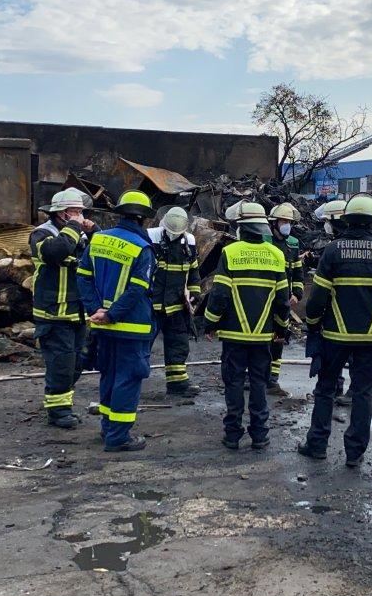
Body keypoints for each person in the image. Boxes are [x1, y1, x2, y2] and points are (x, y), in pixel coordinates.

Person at [298, 193, 372, 467]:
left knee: (325, 389)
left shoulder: (333, 252)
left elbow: (318, 298)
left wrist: (313, 325)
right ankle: (355, 454)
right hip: (370, 339)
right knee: (362, 393)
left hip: (334, 337)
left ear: (346, 221)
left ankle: (317, 445)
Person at [203, 202, 291, 450]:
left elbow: (219, 294)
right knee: (259, 384)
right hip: (264, 337)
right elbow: (282, 301)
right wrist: (281, 329)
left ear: (240, 227)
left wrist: (210, 323)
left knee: (233, 384)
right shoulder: (277, 255)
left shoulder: (230, 253)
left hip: (233, 335)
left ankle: (232, 435)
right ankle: (260, 435)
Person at [76, 190, 157, 452]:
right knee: (129, 377)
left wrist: (96, 310)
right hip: (131, 328)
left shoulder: (98, 240)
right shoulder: (142, 249)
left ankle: (107, 427)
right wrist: (112, 314)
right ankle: (119, 436)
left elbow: (83, 277)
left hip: (102, 326)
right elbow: (137, 290)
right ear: (143, 218)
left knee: (109, 375)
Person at [30, 188, 98, 429]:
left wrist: (93, 232)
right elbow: (55, 253)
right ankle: (58, 412)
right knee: (61, 364)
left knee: (76, 364)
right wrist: (75, 228)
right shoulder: (41, 234)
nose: (79, 215)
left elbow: (97, 255)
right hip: (53, 314)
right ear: (60, 213)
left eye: (81, 211)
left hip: (77, 313)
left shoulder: (77, 234)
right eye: (74, 212)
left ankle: (62, 405)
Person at [146, 207, 201, 397]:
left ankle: (177, 383)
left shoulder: (189, 242)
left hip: (176, 304)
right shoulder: (150, 238)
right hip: (151, 303)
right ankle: (128, 380)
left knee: (178, 343)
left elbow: (193, 270)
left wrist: (194, 292)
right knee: (142, 344)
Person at [304, 199, 349, 403]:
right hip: (368, 324)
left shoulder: (332, 251)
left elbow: (319, 294)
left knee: (332, 360)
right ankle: (352, 394)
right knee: (359, 361)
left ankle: (332, 390)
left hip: (335, 320)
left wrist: (312, 322)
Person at [266, 202, 304, 396]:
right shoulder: (265, 242)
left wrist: (297, 293)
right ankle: (254, 376)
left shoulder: (293, 244)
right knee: (260, 338)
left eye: (289, 222)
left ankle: (272, 379)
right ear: (274, 223)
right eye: (283, 221)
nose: (286, 225)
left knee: (279, 338)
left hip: (283, 301)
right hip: (264, 300)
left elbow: (298, 271)